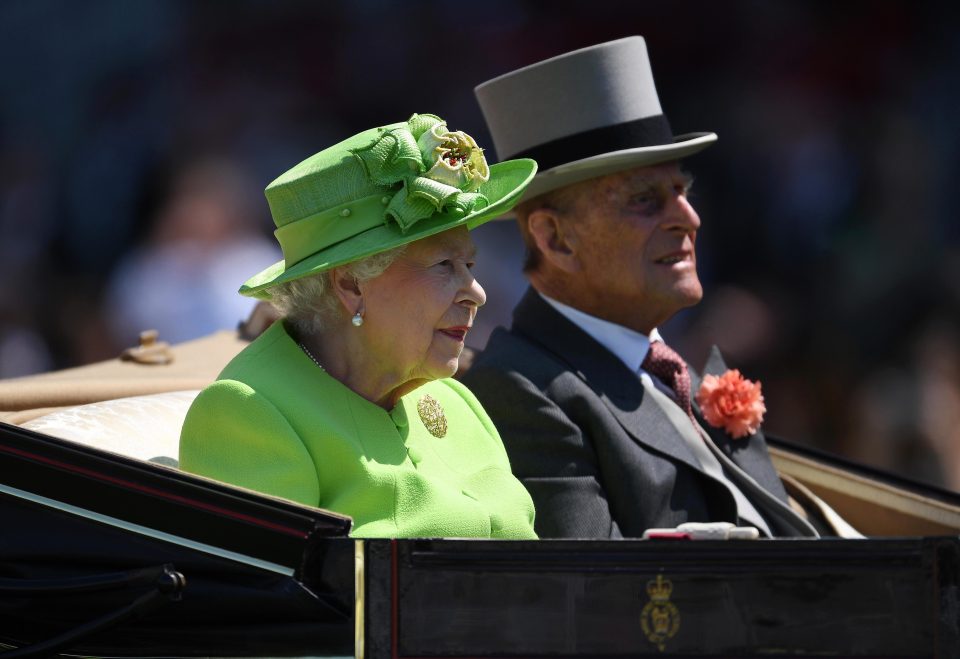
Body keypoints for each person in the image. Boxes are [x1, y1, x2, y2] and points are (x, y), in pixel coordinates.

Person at [462, 37, 822, 538]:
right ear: (555, 238)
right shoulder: (521, 388)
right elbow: (598, 597)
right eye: (645, 200)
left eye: (682, 191)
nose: (688, 219)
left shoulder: (663, 372)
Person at [180, 113, 538, 539]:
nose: (476, 293)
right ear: (351, 283)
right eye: (445, 265)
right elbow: (275, 604)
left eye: (470, 264)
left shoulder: (457, 401)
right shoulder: (248, 414)